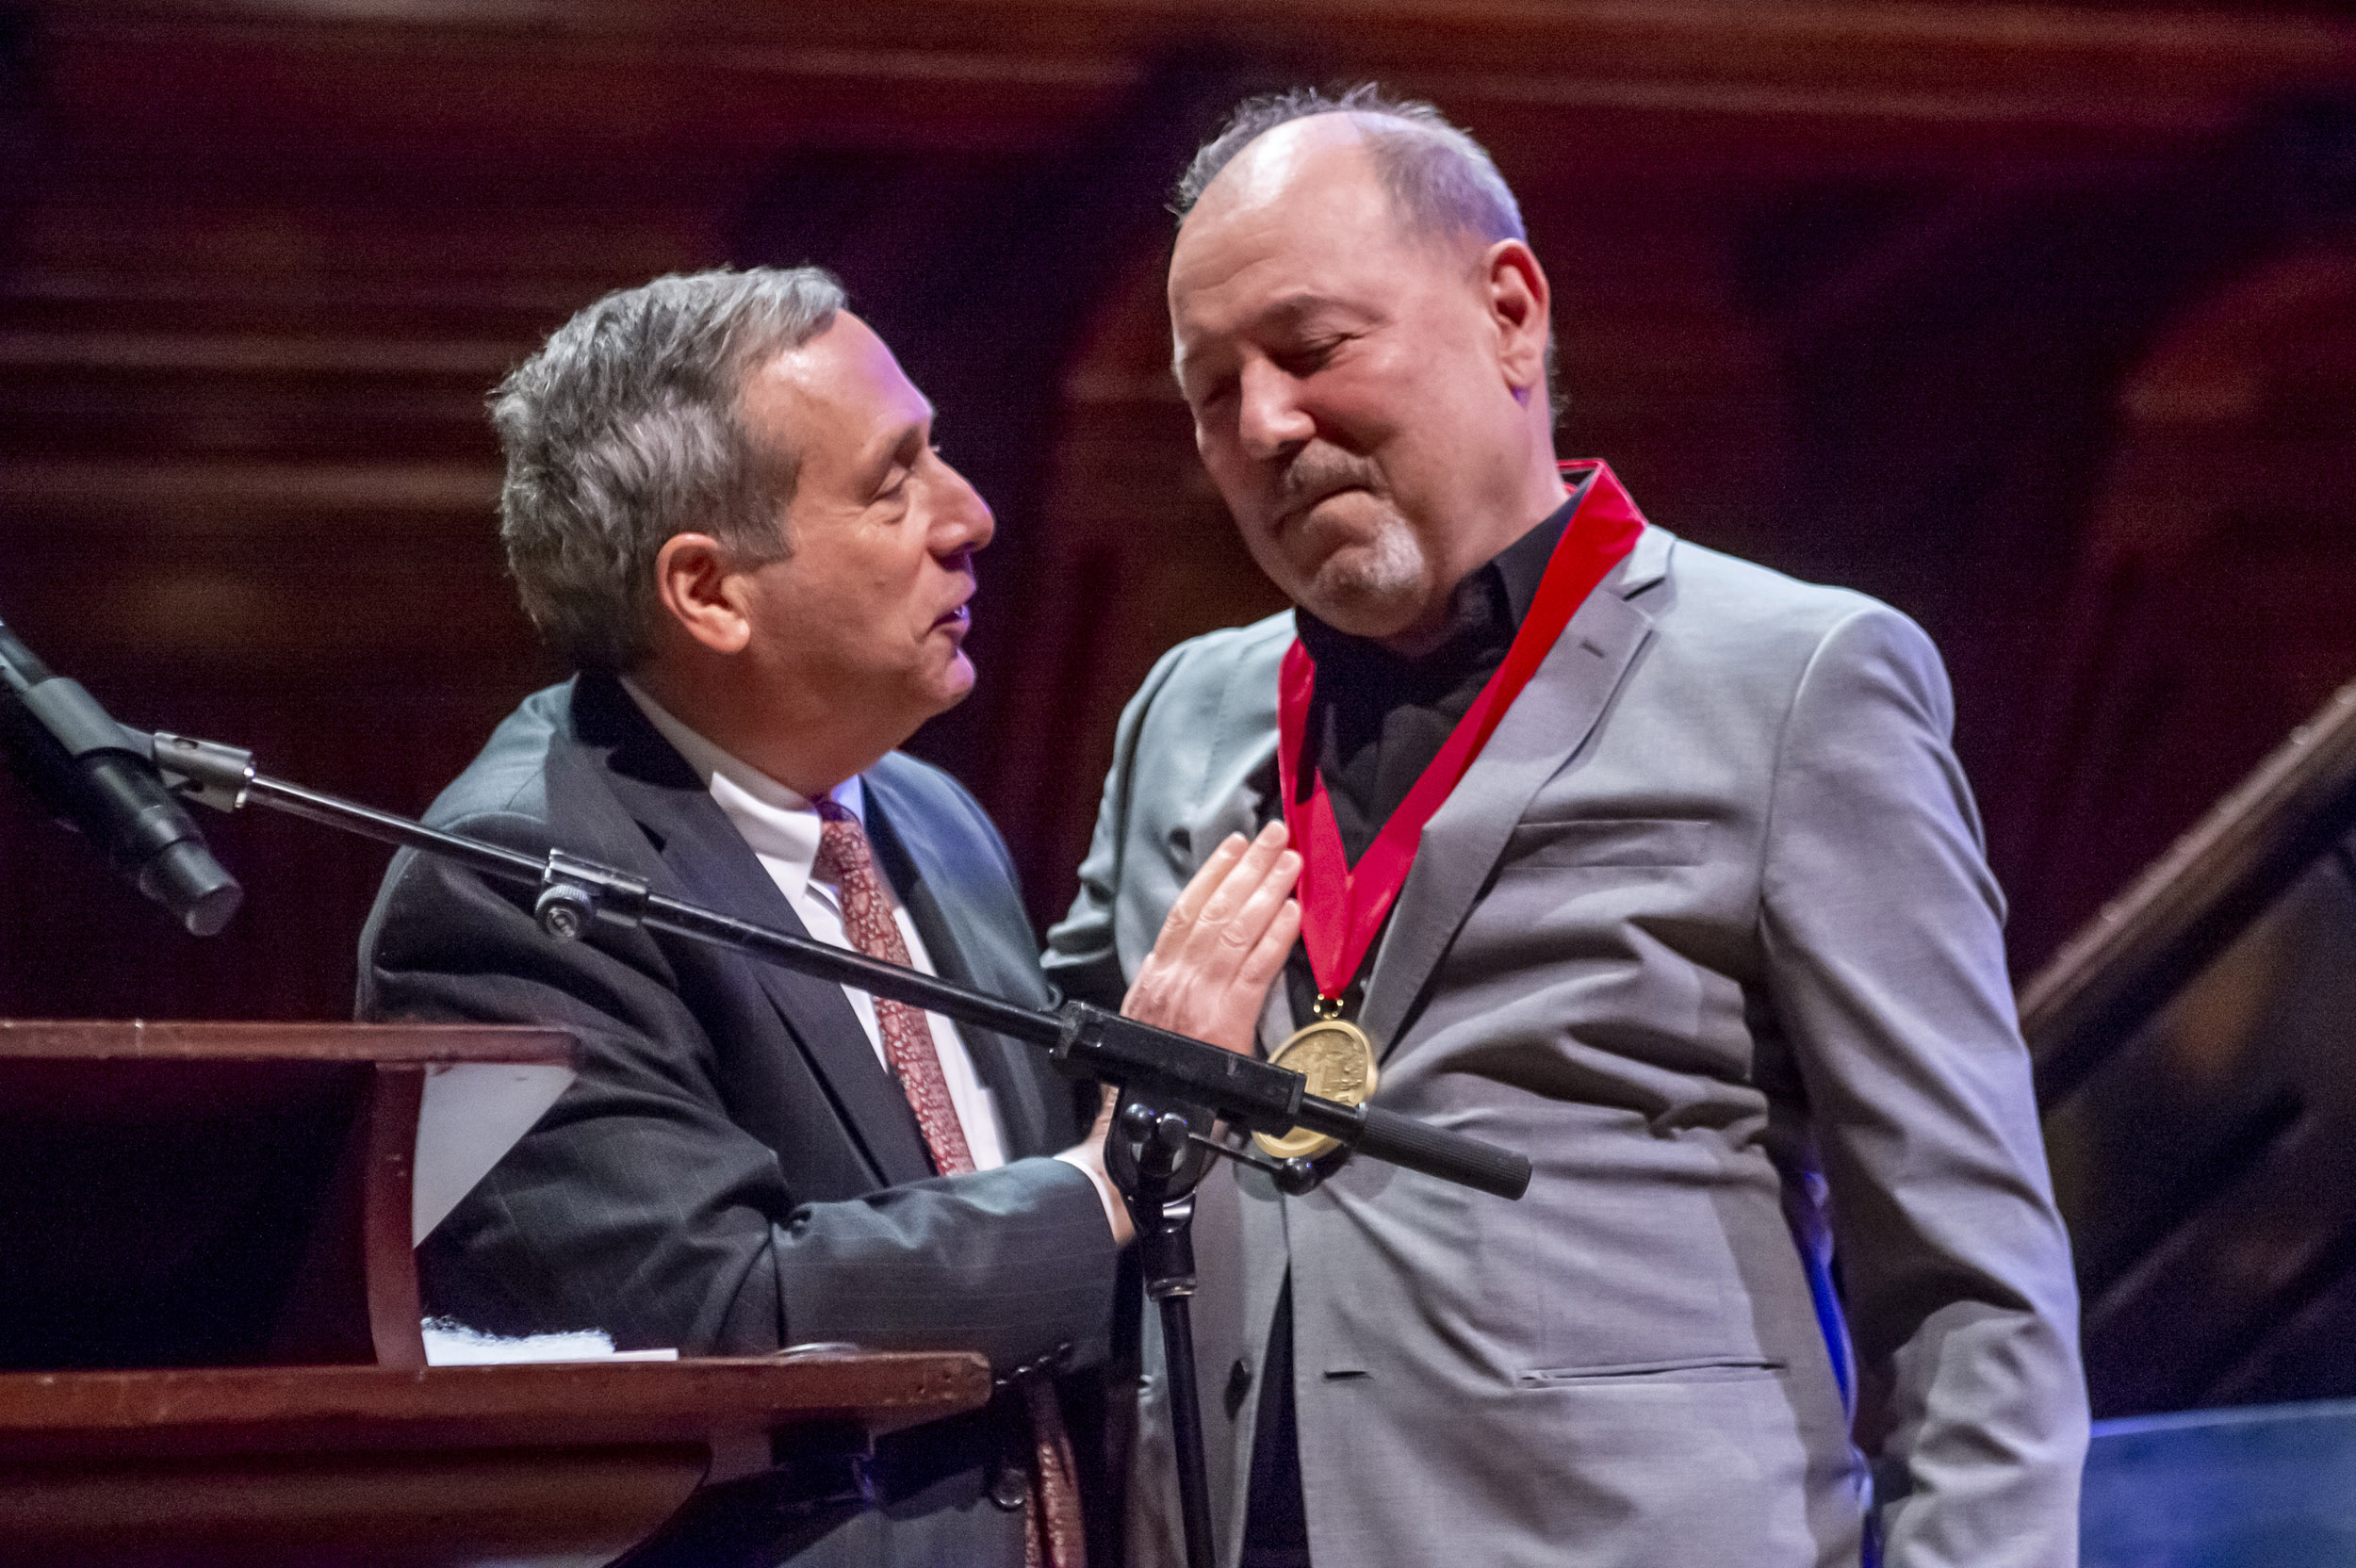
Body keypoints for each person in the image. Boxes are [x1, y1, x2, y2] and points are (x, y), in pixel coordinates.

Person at [1047, 88, 2087, 1567]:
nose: (1264, 423)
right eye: (1211, 391)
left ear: (1512, 313)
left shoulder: (1798, 681)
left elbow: (1975, 1289)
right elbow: (1037, 1105)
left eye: (1312, 348)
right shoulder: (1186, 713)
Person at [358, 267, 1301, 1568]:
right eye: (892, 480)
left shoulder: (925, 814)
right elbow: (715, 1319)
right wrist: (1110, 1180)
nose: (970, 515)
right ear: (710, 591)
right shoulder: (516, 880)